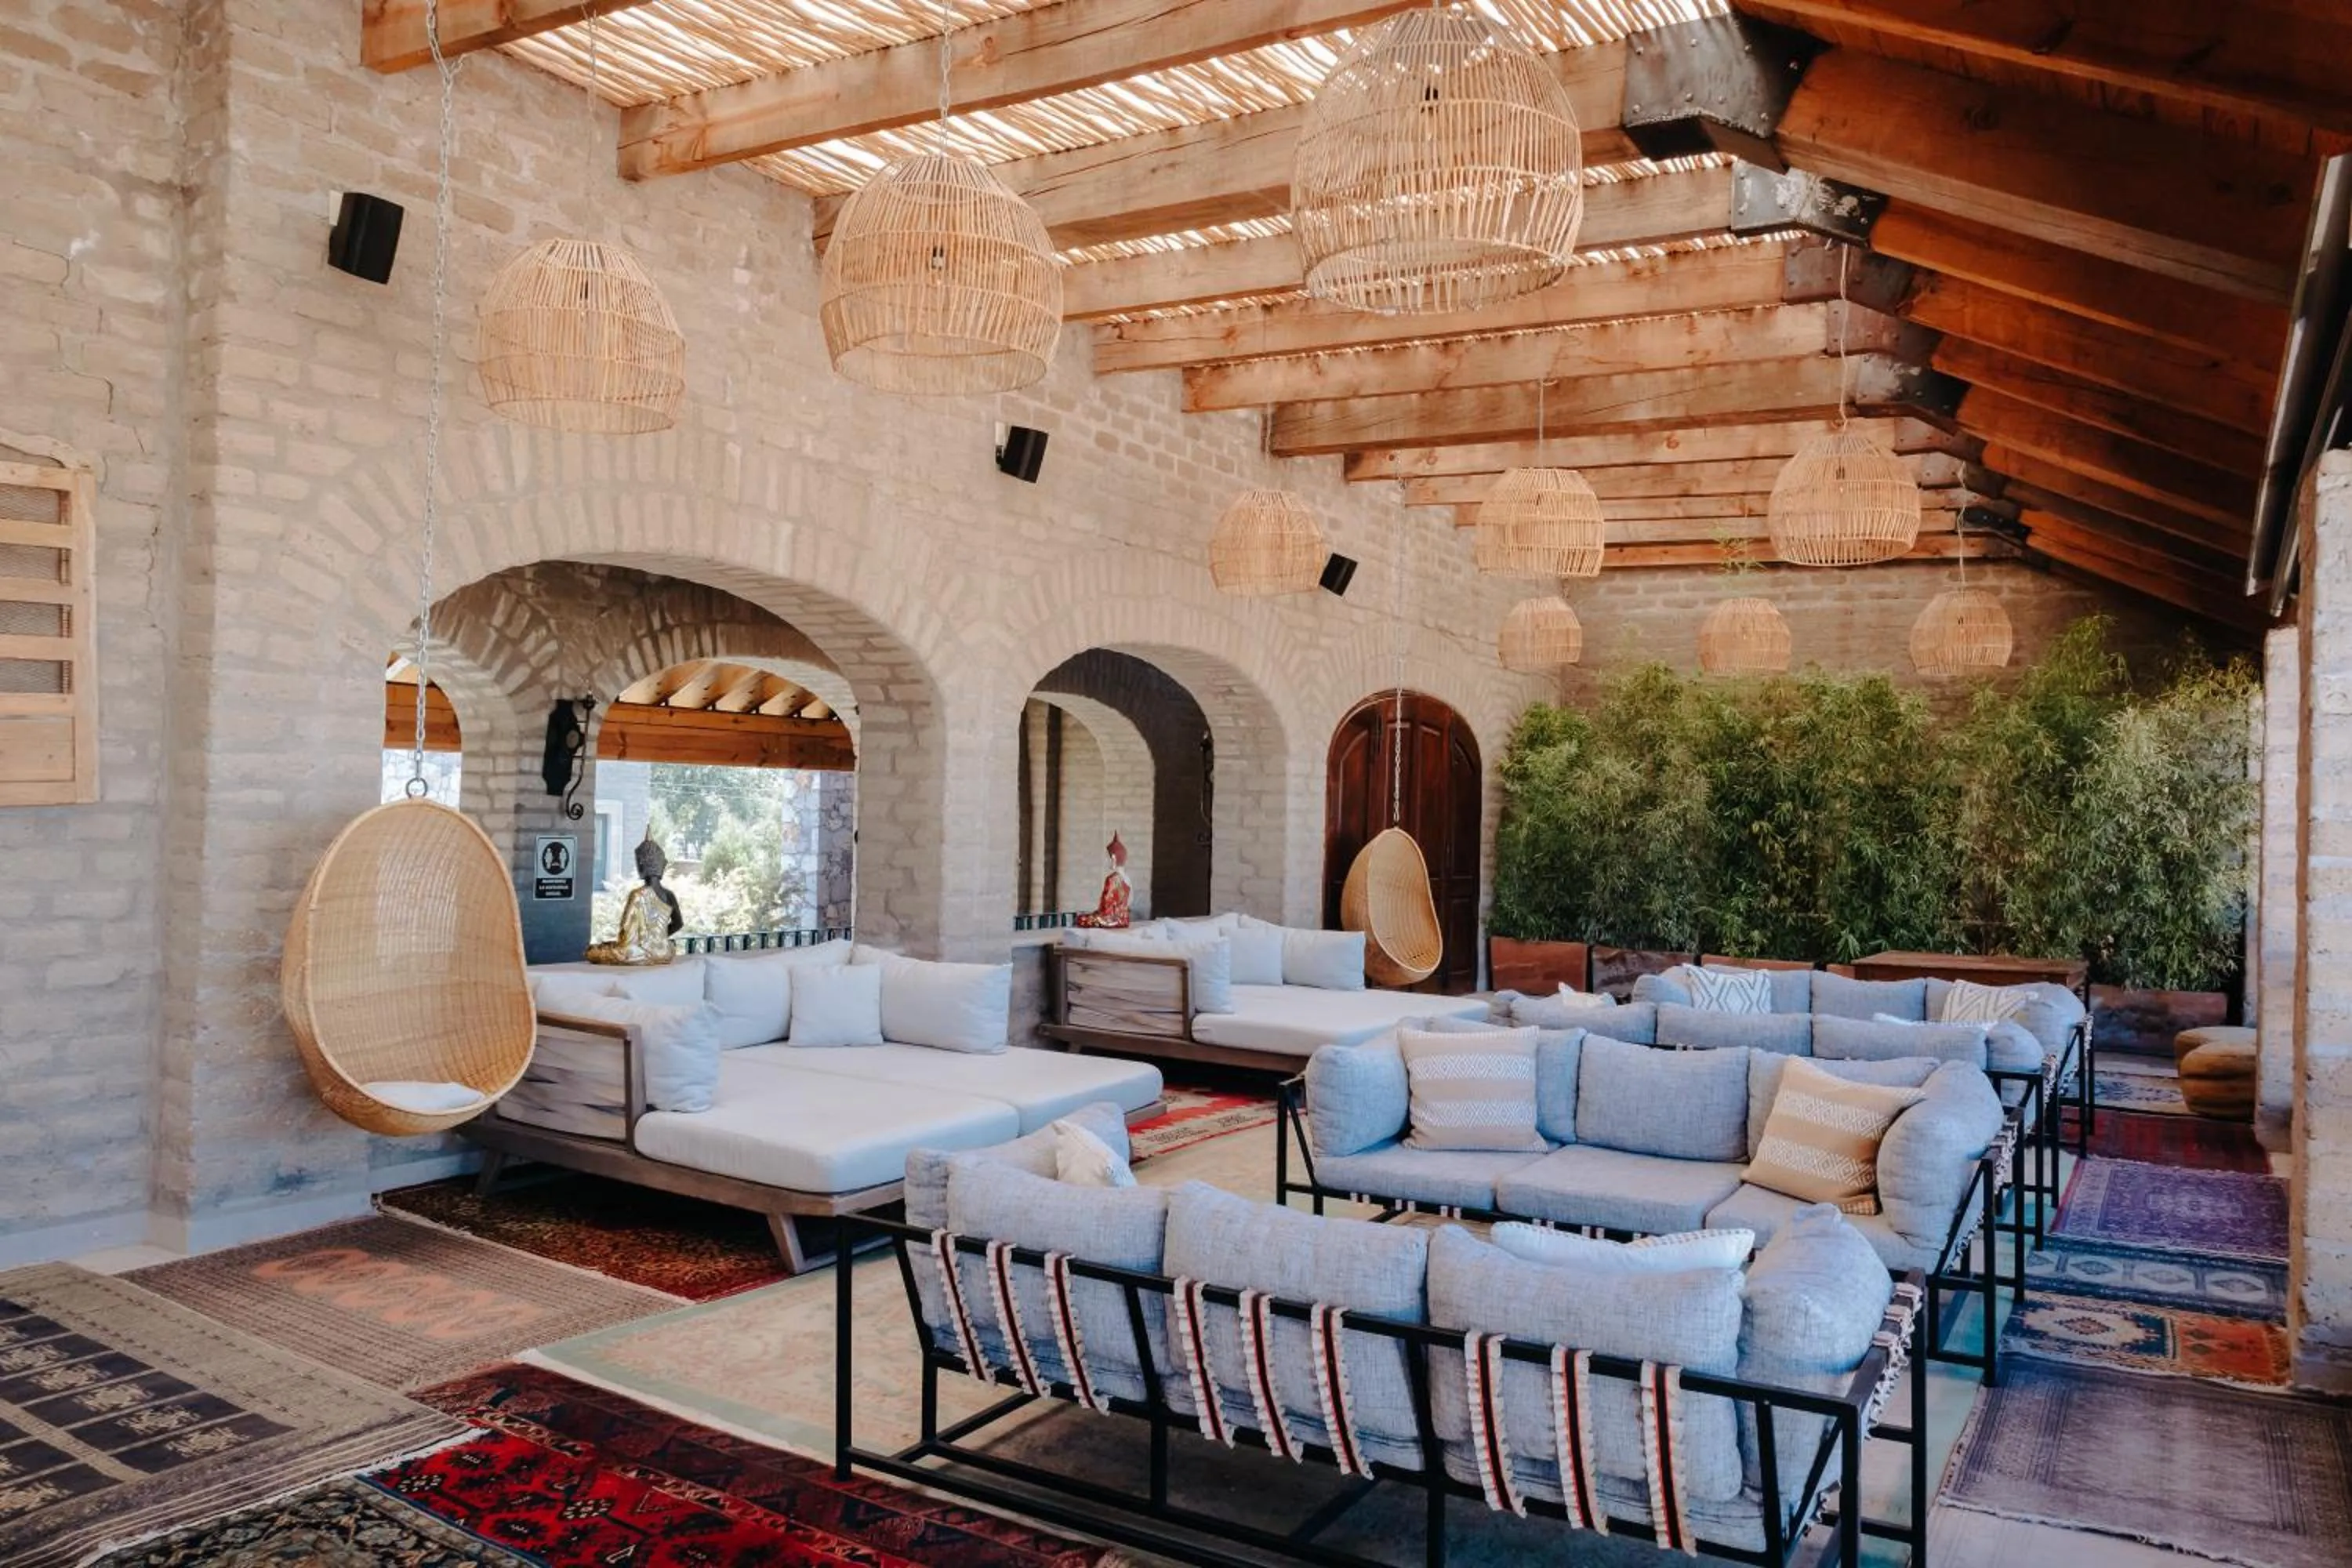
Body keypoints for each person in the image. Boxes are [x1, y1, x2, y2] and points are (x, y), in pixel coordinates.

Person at [586, 830, 684, 964]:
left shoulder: (637, 895)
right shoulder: (669, 895)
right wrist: (658, 939)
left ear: (641, 866)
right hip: (664, 952)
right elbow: (678, 924)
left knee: (593, 951)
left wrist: (645, 942)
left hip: (640, 952)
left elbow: (626, 932)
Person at [1073, 832, 1133, 929]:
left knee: (1081, 919)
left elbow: (1106, 908)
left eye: (1107, 857)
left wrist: (1096, 915)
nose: (1105, 860)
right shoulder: (1127, 878)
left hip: (1110, 920)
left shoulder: (1112, 879)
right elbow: (1130, 901)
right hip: (1124, 919)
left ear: (1114, 858)